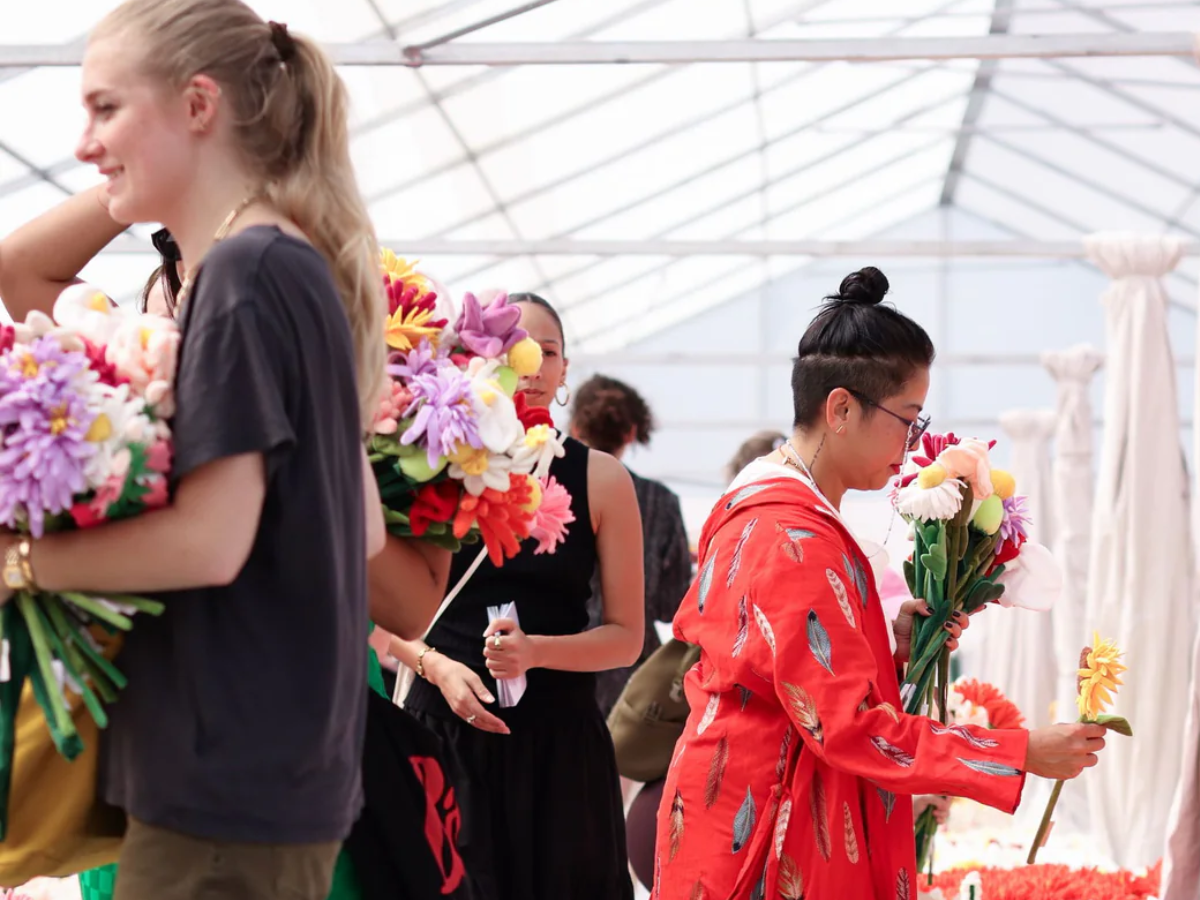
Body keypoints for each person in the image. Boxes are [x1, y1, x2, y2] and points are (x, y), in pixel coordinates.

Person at [0, 2, 452, 898]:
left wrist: (21, 561)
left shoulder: (245, 274)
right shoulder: (293, 262)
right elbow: (359, 527)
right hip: (266, 779)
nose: (85, 145)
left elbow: (211, 541)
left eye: (106, 109)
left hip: (222, 788)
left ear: (199, 104)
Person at [652, 267, 1107, 899]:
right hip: (766, 828)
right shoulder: (793, 536)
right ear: (841, 409)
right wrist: (1016, 751)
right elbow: (846, 726)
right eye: (908, 419)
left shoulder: (777, 511)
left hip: (744, 803)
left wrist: (889, 650)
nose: (912, 442)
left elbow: (786, 675)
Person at [391, 293, 644, 900]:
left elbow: (627, 637)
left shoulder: (601, 478)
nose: (529, 366)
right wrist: (435, 666)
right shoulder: (428, 459)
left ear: (564, 371)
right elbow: (371, 609)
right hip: (443, 729)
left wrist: (535, 652)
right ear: (475, 358)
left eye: (546, 352)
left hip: (559, 749)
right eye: (511, 348)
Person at [570, 374, 692, 717]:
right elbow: (672, 605)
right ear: (631, 432)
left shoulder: (551, 493)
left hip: (562, 661)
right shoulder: (661, 501)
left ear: (575, 429)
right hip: (635, 678)